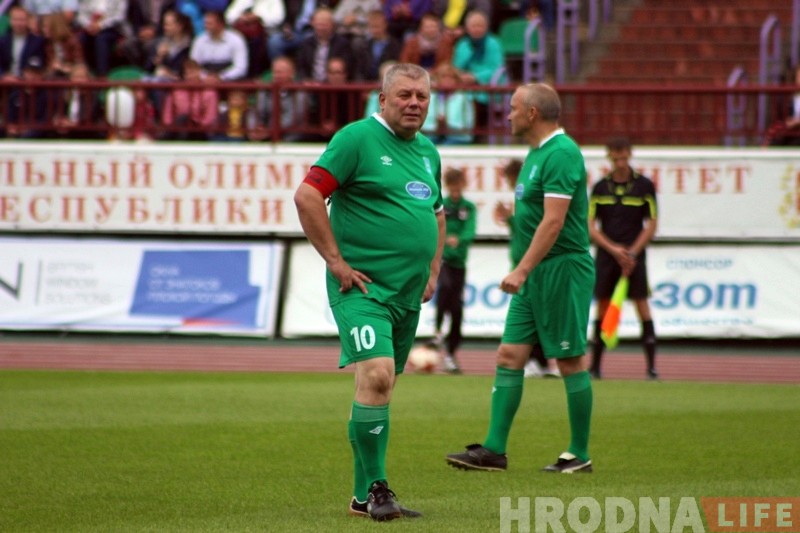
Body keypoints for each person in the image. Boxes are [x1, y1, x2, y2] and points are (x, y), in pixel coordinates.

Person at [294, 63, 445, 521]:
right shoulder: (356, 139)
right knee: (378, 376)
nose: (414, 103)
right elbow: (307, 196)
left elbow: (436, 213)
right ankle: (379, 489)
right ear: (382, 99)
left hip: (406, 295)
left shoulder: (428, 152)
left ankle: (362, 499)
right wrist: (336, 262)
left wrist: (433, 269)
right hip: (362, 289)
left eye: (421, 96)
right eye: (404, 95)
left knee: (377, 386)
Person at [446, 82, 595, 474]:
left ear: (532, 113)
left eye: (513, 108)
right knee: (509, 355)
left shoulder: (561, 153)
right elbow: (536, 217)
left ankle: (579, 453)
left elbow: (554, 222)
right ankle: (494, 450)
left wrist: (522, 268)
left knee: (569, 360)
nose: (507, 115)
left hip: (562, 270)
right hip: (536, 274)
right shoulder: (535, 154)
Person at [588, 137, 659, 380]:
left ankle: (651, 368)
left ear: (630, 154)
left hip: (634, 256)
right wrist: (614, 250)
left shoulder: (645, 186)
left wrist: (632, 253)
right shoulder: (600, 187)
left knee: (641, 305)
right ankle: (595, 367)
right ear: (609, 155)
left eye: (623, 153)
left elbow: (652, 223)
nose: (620, 158)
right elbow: (591, 226)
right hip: (608, 256)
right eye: (615, 153)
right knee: (603, 306)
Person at [494, 158, 560, 379]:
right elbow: (522, 229)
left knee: (536, 315)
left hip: (532, 267)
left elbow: (535, 229)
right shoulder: (521, 199)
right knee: (534, 315)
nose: (511, 184)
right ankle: (539, 361)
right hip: (522, 266)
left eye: (511, 179)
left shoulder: (531, 197)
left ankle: (541, 361)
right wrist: (509, 219)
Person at [433, 167, 476, 374]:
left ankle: (450, 351)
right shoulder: (443, 205)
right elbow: (437, 225)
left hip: (459, 263)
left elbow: (470, 230)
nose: (456, 191)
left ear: (463, 185)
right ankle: (437, 331)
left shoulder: (468, 207)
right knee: (445, 287)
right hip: (443, 260)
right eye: (452, 187)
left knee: (457, 308)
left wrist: (458, 239)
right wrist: (445, 240)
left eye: (459, 187)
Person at [189, 10, 249, 81]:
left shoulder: (236, 39)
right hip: (204, 81)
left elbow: (240, 68)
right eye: (205, 23)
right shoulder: (199, 40)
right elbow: (193, 66)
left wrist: (221, 77)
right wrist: (205, 77)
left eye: (210, 24)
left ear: (221, 24)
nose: (206, 26)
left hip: (230, 81)